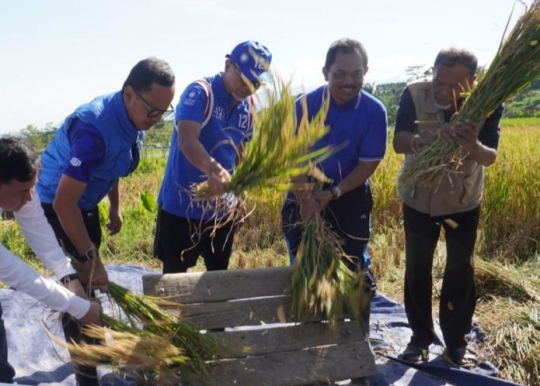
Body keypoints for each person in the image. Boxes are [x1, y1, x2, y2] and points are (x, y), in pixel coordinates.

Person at [36, 57, 175, 385]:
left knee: (91, 283)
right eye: (152, 111)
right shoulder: (94, 128)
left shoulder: (133, 120)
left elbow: (112, 166)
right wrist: (89, 255)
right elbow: (63, 201)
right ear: (129, 94)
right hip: (55, 206)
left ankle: (97, 349)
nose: (156, 119)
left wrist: (114, 208)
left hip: (83, 204)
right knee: (77, 294)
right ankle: (87, 375)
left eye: (164, 112)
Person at [393, 47, 503, 366]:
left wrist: (471, 144)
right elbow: (399, 141)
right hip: (419, 197)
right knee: (417, 267)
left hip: (462, 199)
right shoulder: (414, 93)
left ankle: (456, 341)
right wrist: (430, 142)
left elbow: (490, 157)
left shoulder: (489, 102)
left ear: (472, 82)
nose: (442, 91)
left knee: (459, 269)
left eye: (453, 87)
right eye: (438, 81)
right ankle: (420, 338)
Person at [281, 38, 387, 338]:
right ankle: (311, 337)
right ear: (326, 72)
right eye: (340, 73)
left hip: (348, 194)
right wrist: (306, 198)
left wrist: (330, 194)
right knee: (306, 265)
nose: (348, 81)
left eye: (356, 74)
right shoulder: (303, 107)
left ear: (365, 72)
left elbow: (367, 166)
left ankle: (356, 342)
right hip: (304, 189)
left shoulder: (373, 111)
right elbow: (293, 159)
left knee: (353, 267)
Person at [153, 41, 272, 274]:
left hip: (220, 212)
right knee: (175, 277)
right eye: (242, 77)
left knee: (218, 274)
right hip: (181, 207)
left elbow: (240, 150)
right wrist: (215, 170)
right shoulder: (200, 92)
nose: (247, 87)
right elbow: (187, 140)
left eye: (255, 83)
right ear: (228, 64)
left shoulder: (249, 107)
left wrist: (238, 192)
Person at [0, 137, 102, 384]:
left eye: (32, 187)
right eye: (22, 191)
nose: (29, 197)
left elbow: (38, 229)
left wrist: (68, 277)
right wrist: (81, 308)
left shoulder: (23, 189)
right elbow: (15, 273)